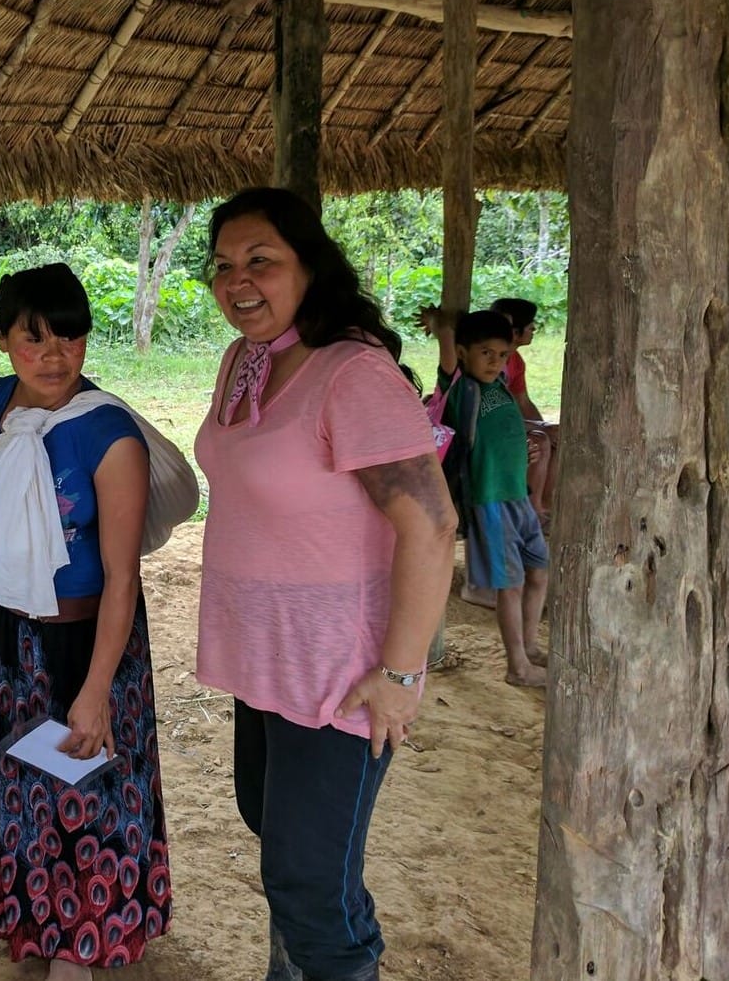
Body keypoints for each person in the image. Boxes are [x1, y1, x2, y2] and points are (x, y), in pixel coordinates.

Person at [195, 188, 455, 981]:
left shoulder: (352, 373)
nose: (238, 280)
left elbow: (433, 524)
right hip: (263, 659)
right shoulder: (247, 361)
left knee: (308, 884)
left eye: (261, 261)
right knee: (284, 844)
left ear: (311, 264)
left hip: (340, 674)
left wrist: (403, 673)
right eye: (223, 265)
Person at [0, 264, 173, 979]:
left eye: (69, 337)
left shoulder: (107, 433)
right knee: (22, 784)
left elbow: (122, 578)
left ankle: (84, 943)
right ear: (4, 339)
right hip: (11, 641)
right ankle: (34, 922)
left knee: (86, 784)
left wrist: (97, 689)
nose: (53, 355)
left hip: (89, 638)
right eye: (32, 338)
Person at [435, 309, 550, 687]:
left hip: (518, 495)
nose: (495, 362)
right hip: (489, 501)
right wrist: (442, 325)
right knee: (511, 584)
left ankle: (530, 647)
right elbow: (449, 339)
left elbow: (504, 433)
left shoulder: (500, 385)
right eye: (485, 353)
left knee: (538, 572)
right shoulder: (461, 390)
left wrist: (525, 454)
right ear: (463, 352)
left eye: (502, 355)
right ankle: (517, 666)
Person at [488, 297, 558, 520]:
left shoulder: (516, 360)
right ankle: (532, 511)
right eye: (530, 325)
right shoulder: (490, 360)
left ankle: (548, 506)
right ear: (515, 332)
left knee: (558, 435)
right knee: (540, 441)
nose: (534, 328)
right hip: (489, 424)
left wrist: (546, 426)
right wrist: (541, 430)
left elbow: (523, 402)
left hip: (506, 421)